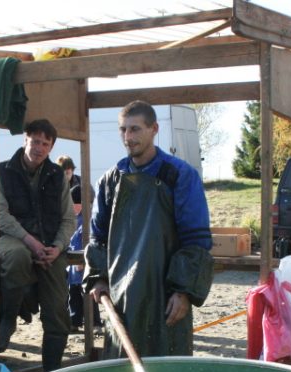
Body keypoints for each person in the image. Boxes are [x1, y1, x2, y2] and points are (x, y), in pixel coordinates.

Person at [85, 100, 213, 358]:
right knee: (120, 364)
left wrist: (183, 291)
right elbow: (98, 235)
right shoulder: (111, 180)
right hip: (120, 295)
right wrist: (98, 277)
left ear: (154, 129)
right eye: (123, 130)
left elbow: (196, 239)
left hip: (164, 295)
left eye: (135, 129)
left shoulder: (179, 175)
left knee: (166, 363)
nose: (128, 137)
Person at [0, 119, 75, 371]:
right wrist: (30, 241)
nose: (39, 147)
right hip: (15, 239)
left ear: (51, 147)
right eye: (35, 141)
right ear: (25, 139)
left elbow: (68, 219)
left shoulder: (57, 176)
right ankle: (8, 317)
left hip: (50, 246)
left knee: (58, 312)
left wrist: (58, 247)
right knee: (18, 255)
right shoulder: (1, 171)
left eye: (45, 143)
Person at [67, 184, 101, 329]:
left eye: (75, 205)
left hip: (83, 261)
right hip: (72, 265)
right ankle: (74, 321)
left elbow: (85, 239)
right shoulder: (73, 217)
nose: (73, 208)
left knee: (87, 294)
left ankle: (94, 321)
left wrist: (82, 259)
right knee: (73, 293)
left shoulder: (88, 219)